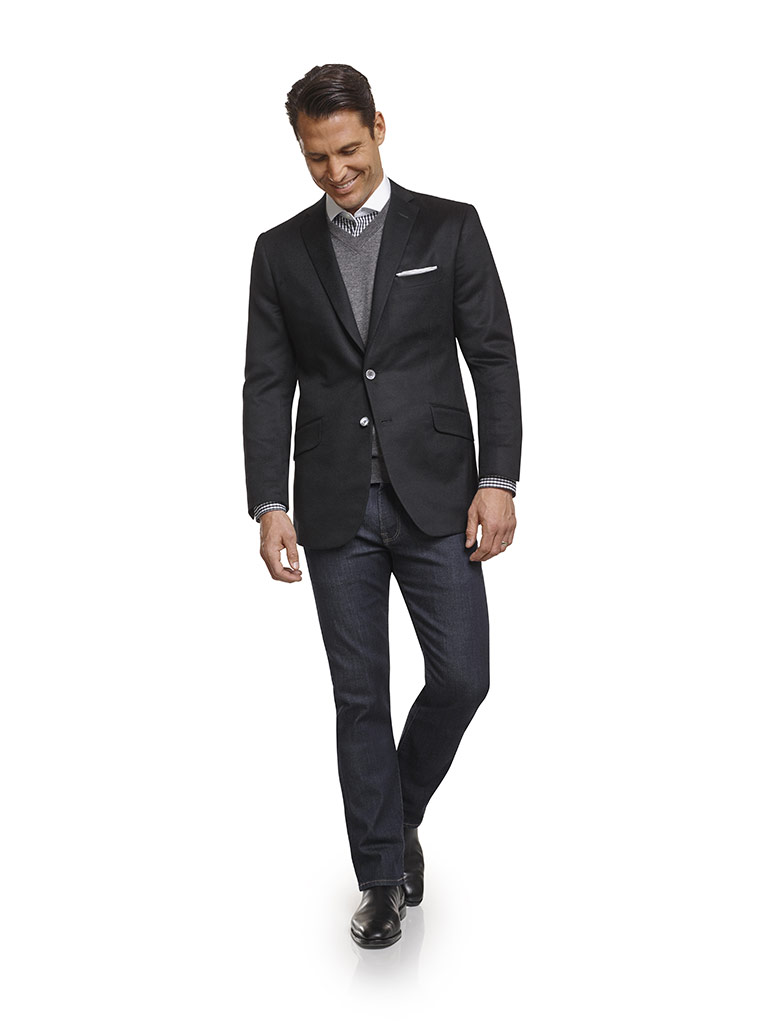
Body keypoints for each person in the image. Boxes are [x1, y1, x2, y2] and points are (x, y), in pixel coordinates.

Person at [242, 64, 522, 948]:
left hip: (439, 495)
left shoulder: (450, 226)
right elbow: (266, 384)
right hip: (332, 506)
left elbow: (493, 356)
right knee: (359, 696)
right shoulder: (279, 251)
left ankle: (397, 816)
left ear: (379, 129)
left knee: (464, 676)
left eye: (349, 149)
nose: (336, 172)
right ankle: (379, 879)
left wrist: (499, 480)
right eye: (316, 157)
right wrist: (268, 502)